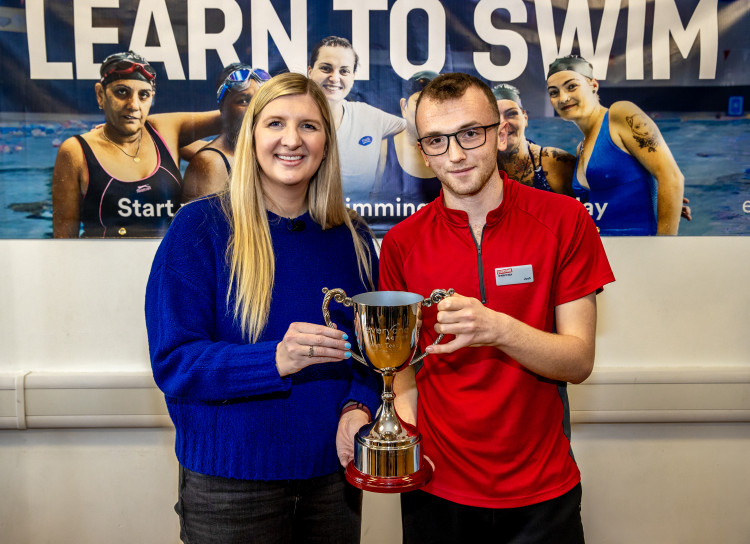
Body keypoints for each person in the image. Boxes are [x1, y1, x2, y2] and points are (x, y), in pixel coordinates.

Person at [145, 72, 381, 543]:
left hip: (332, 481)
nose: (292, 140)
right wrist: (274, 359)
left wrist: (359, 406)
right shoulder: (200, 227)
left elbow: (371, 354)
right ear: (251, 134)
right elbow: (174, 361)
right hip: (229, 489)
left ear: (327, 143)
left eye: (309, 126)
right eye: (275, 123)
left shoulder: (350, 235)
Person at [379, 73, 615, 543]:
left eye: (470, 133)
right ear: (422, 149)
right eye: (437, 141)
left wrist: (497, 327)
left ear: (501, 132)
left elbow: (578, 360)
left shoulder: (564, 221)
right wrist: (403, 441)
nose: (456, 155)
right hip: (436, 488)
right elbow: (399, 372)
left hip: (542, 492)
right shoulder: (402, 243)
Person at [51, 51, 221, 238]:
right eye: (121, 92)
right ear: (101, 95)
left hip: (166, 265)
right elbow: (63, 242)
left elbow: (236, 116)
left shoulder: (165, 132)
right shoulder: (76, 151)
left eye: (144, 95)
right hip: (103, 265)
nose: (134, 105)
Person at [546, 55, 685, 235]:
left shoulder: (620, 115)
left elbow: (671, 178)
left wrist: (663, 250)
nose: (563, 98)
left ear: (593, 86)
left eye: (572, 86)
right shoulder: (581, 148)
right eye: (553, 92)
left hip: (639, 253)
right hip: (602, 255)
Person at [308, 36, 406, 201]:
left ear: (353, 76)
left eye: (344, 71)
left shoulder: (369, 117)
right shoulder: (292, 117)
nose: (334, 77)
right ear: (310, 71)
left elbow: (415, 129)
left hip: (357, 222)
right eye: (326, 68)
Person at [181, 63, 271, 202]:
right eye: (243, 101)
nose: (254, 109)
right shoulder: (211, 164)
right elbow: (205, 223)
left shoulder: (257, 151)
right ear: (222, 108)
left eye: (260, 100)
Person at [493, 83, 575, 196]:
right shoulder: (481, 167)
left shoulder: (555, 163)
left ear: (525, 119)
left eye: (511, 114)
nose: (503, 123)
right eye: (495, 116)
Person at [375, 70, 441, 204]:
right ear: (404, 107)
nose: (427, 111)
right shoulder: (383, 149)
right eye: (419, 102)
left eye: (435, 103)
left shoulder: (454, 151)